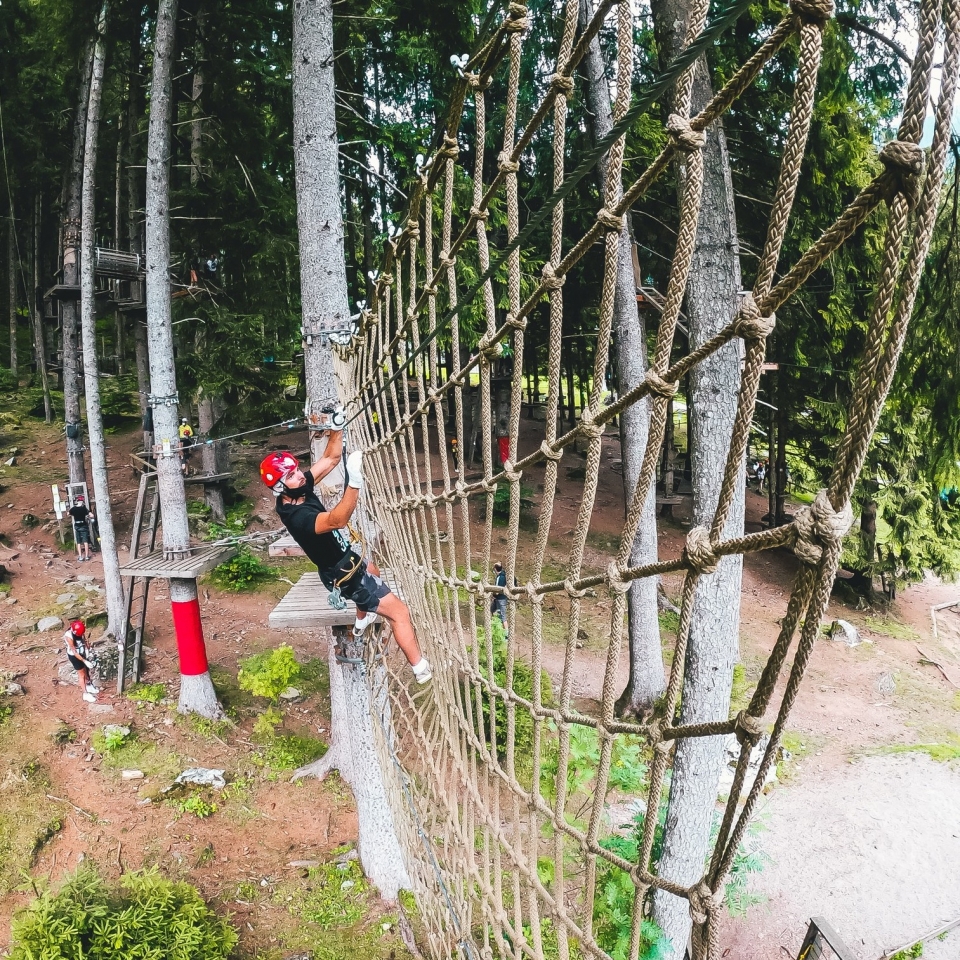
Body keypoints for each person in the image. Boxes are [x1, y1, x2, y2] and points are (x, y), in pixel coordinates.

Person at [260, 425, 432, 684]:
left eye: (297, 470)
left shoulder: (296, 490)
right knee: (400, 613)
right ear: (280, 487)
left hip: (344, 561)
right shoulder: (298, 518)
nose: (301, 476)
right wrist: (355, 482)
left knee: (373, 569)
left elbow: (329, 459)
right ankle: (420, 668)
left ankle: (362, 620)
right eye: (293, 475)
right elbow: (337, 520)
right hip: (344, 574)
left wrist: (336, 429)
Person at [63, 620, 100, 703]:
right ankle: (85, 694)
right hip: (74, 656)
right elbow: (74, 651)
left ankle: (89, 684)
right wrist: (84, 660)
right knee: (81, 674)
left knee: (86, 670)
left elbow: (84, 640)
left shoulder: (80, 632)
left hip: (82, 653)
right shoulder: (69, 636)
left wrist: (87, 649)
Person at [68, 494, 95, 562]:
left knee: (78, 542)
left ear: (77, 501)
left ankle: (80, 557)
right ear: (82, 501)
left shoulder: (73, 509)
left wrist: (73, 514)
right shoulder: (84, 508)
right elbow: (91, 515)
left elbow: (68, 513)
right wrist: (89, 516)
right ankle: (87, 556)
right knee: (86, 541)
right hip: (84, 526)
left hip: (77, 526)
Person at [490, 561, 508, 638]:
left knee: (503, 616)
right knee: (492, 610)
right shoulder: (503, 575)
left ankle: (506, 634)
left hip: (501, 599)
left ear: (495, 569)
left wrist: (493, 594)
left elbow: (497, 590)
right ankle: (496, 626)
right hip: (498, 599)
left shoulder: (500, 577)